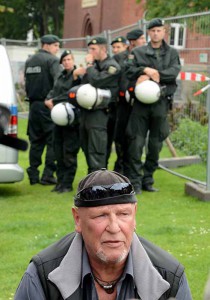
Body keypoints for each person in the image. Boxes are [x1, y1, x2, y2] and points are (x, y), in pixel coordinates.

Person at [14, 168, 192, 299]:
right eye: (101, 216)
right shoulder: (44, 275)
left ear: (135, 215)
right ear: (77, 219)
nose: (114, 228)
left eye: (123, 214)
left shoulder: (168, 278)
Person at [125, 19, 181, 193]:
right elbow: (128, 70)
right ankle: (135, 182)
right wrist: (144, 70)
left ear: (164, 32)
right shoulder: (139, 51)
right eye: (153, 31)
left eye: (159, 30)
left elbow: (174, 72)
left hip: (160, 103)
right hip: (140, 105)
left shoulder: (172, 52)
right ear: (148, 33)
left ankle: (147, 180)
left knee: (156, 144)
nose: (156, 33)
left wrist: (152, 74)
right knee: (136, 143)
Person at [45, 50, 86, 193]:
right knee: (58, 151)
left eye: (69, 59)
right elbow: (54, 91)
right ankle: (60, 182)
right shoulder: (60, 76)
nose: (67, 62)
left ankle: (67, 184)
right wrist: (48, 99)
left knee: (69, 153)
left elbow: (71, 94)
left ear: (73, 60)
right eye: (64, 60)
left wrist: (54, 101)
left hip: (72, 120)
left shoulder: (77, 77)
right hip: (58, 119)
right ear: (61, 62)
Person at [24, 34, 62, 185]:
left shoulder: (30, 60)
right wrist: (52, 98)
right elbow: (58, 81)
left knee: (36, 141)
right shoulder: (52, 60)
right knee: (52, 140)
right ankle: (48, 174)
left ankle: (33, 174)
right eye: (55, 46)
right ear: (46, 45)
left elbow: (26, 83)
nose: (57, 49)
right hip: (47, 104)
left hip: (33, 105)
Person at [80, 36, 121, 173]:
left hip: (102, 113)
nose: (90, 52)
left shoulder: (112, 66)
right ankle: (94, 178)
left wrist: (89, 66)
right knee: (87, 146)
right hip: (88, 112)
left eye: (93, 49)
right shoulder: (96, 65)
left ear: (103, 49)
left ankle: (97, 182)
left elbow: (97, 81)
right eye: (89, 49)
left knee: (97, 149)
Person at [113, 29, 146, 174]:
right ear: (133, 41)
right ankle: (119, 166)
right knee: (121, 135)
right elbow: (118, 78)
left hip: (139, 102)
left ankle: (131, 169)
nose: (145, 41)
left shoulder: (145, 56)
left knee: (135, 137)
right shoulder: (119, 58)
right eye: (142, 39)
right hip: (122, 104)